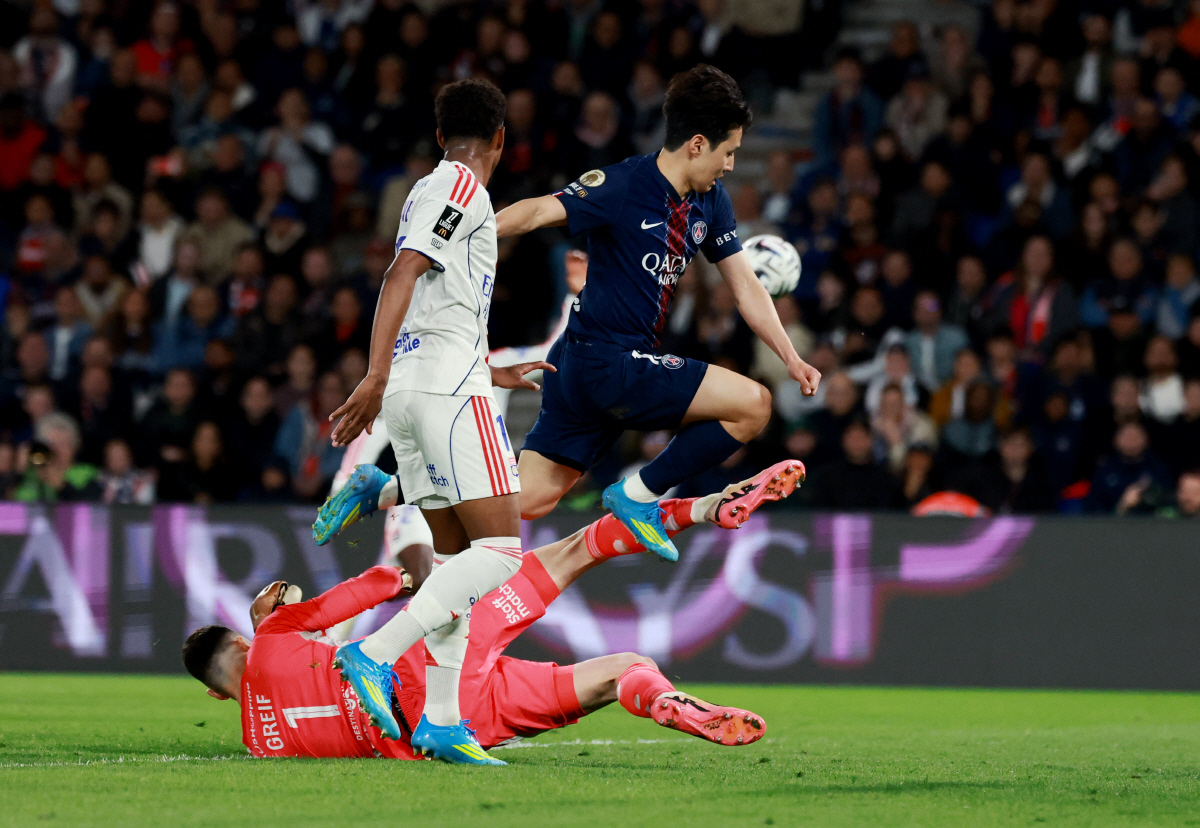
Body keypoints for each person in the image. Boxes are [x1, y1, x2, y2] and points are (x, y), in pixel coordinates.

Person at [181, 471, 797, 762]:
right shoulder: (272, 637)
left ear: (216, 697)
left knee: (621, 671)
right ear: (242, 637)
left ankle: (663, 700)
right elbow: (343, 599)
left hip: (444, 732)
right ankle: (707, 507)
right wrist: (397, 580)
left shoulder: (262, 747)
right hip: (431, 661)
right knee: (575, 549)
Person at [300, 79, 551, 766]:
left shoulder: (424, 190)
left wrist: (478, 366)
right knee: (499, 554)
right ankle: (375, 653)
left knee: (452, 561)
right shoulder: (465, 189)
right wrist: (373, 376)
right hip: (441, 393)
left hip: (423, 387)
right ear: (500, 139)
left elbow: (435, 293)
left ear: (442, 135)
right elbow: (401, 274)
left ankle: (441, 721)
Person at [490, 64, 821, 559]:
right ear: (696, 144)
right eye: (728, 152)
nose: (730, 165)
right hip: (607, 363)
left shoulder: (711, 203)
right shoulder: (623, 184)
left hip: (580, 365)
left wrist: (791, 358)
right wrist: (464, 232)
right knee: (753, 406)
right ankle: (638, 494)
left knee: (530, 498)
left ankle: (388, 488)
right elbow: (538, 211)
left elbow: (746, 287)